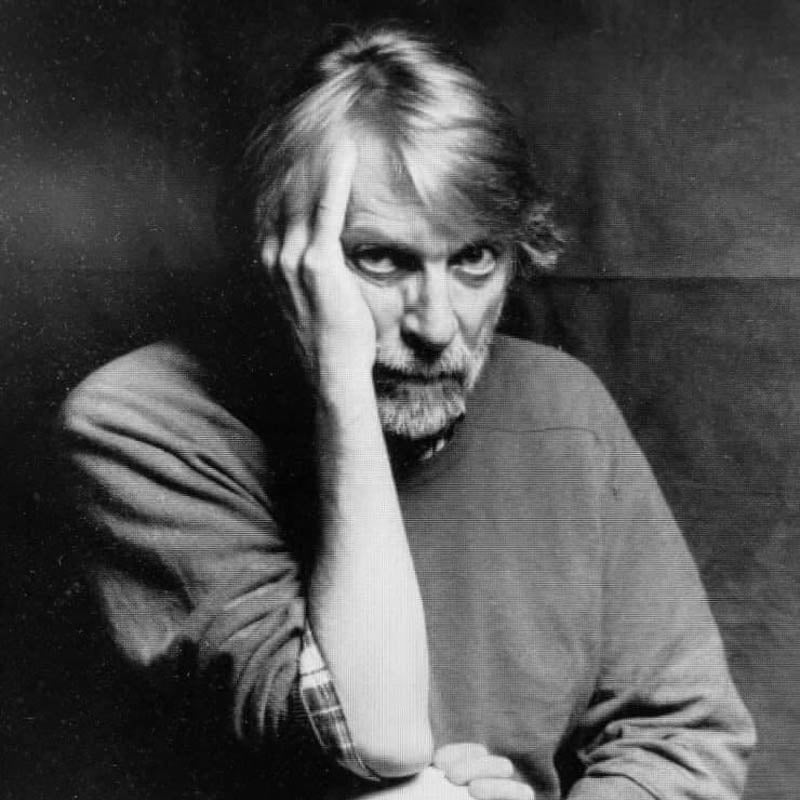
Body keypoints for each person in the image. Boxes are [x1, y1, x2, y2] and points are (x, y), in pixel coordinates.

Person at [58, 23, 755, 800]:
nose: (436, 325)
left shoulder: (564, 409)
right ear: (286, 261)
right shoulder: (137, 425)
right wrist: (343, 388)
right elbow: (375, 739)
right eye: (381, 258)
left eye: (474, 258)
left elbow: (684, 738)